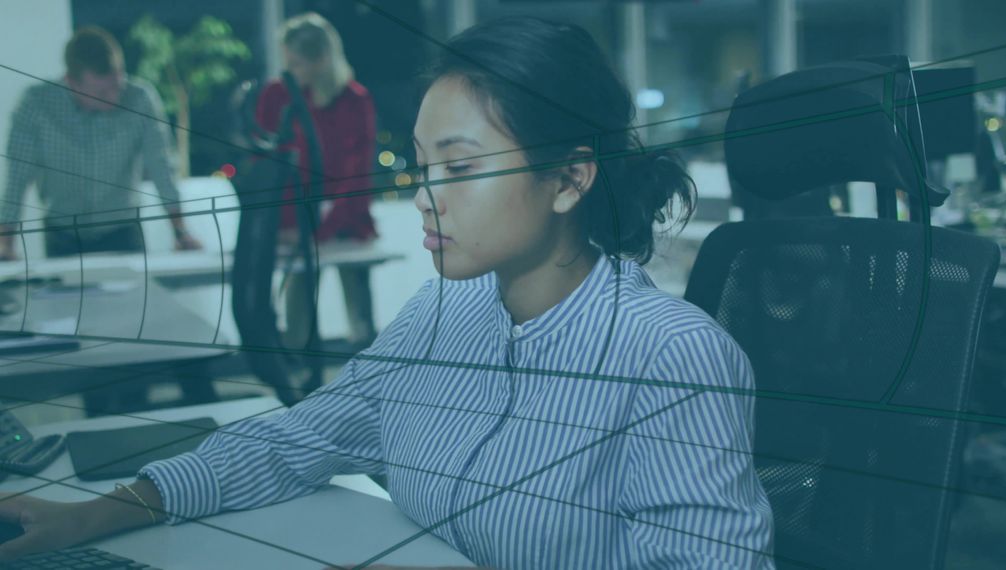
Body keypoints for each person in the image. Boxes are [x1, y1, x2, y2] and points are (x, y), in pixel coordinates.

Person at [0, 18, 774, 569]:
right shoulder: (442, 316)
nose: (427, 197)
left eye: (462, 167)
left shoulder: (673, 360)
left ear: (569, 178)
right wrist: (98, 514)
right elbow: (296, 439)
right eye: (422, 166)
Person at [0, 26, 200, 260]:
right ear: (71, 82)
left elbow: (162, 167)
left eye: (117, 86)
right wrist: (5, 244)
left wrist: (180, 232)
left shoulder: (140, 99)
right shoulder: (36, 105)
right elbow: (17, 178)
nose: (114, 98)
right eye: (102, 93)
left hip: (124, 233)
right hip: (62, 236)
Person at [256, 12, 378, 351]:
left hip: (346, 220)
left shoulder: (355, 100)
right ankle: (299, 371)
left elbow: (357, 175)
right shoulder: (277, 95)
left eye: (296, 64)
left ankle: (368, 370)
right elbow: (269, 165)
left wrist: (321, 229)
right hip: (295, 221)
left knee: (360, 318)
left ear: (322, 59)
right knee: (298, 315)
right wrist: (286, 227)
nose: (288, 72)